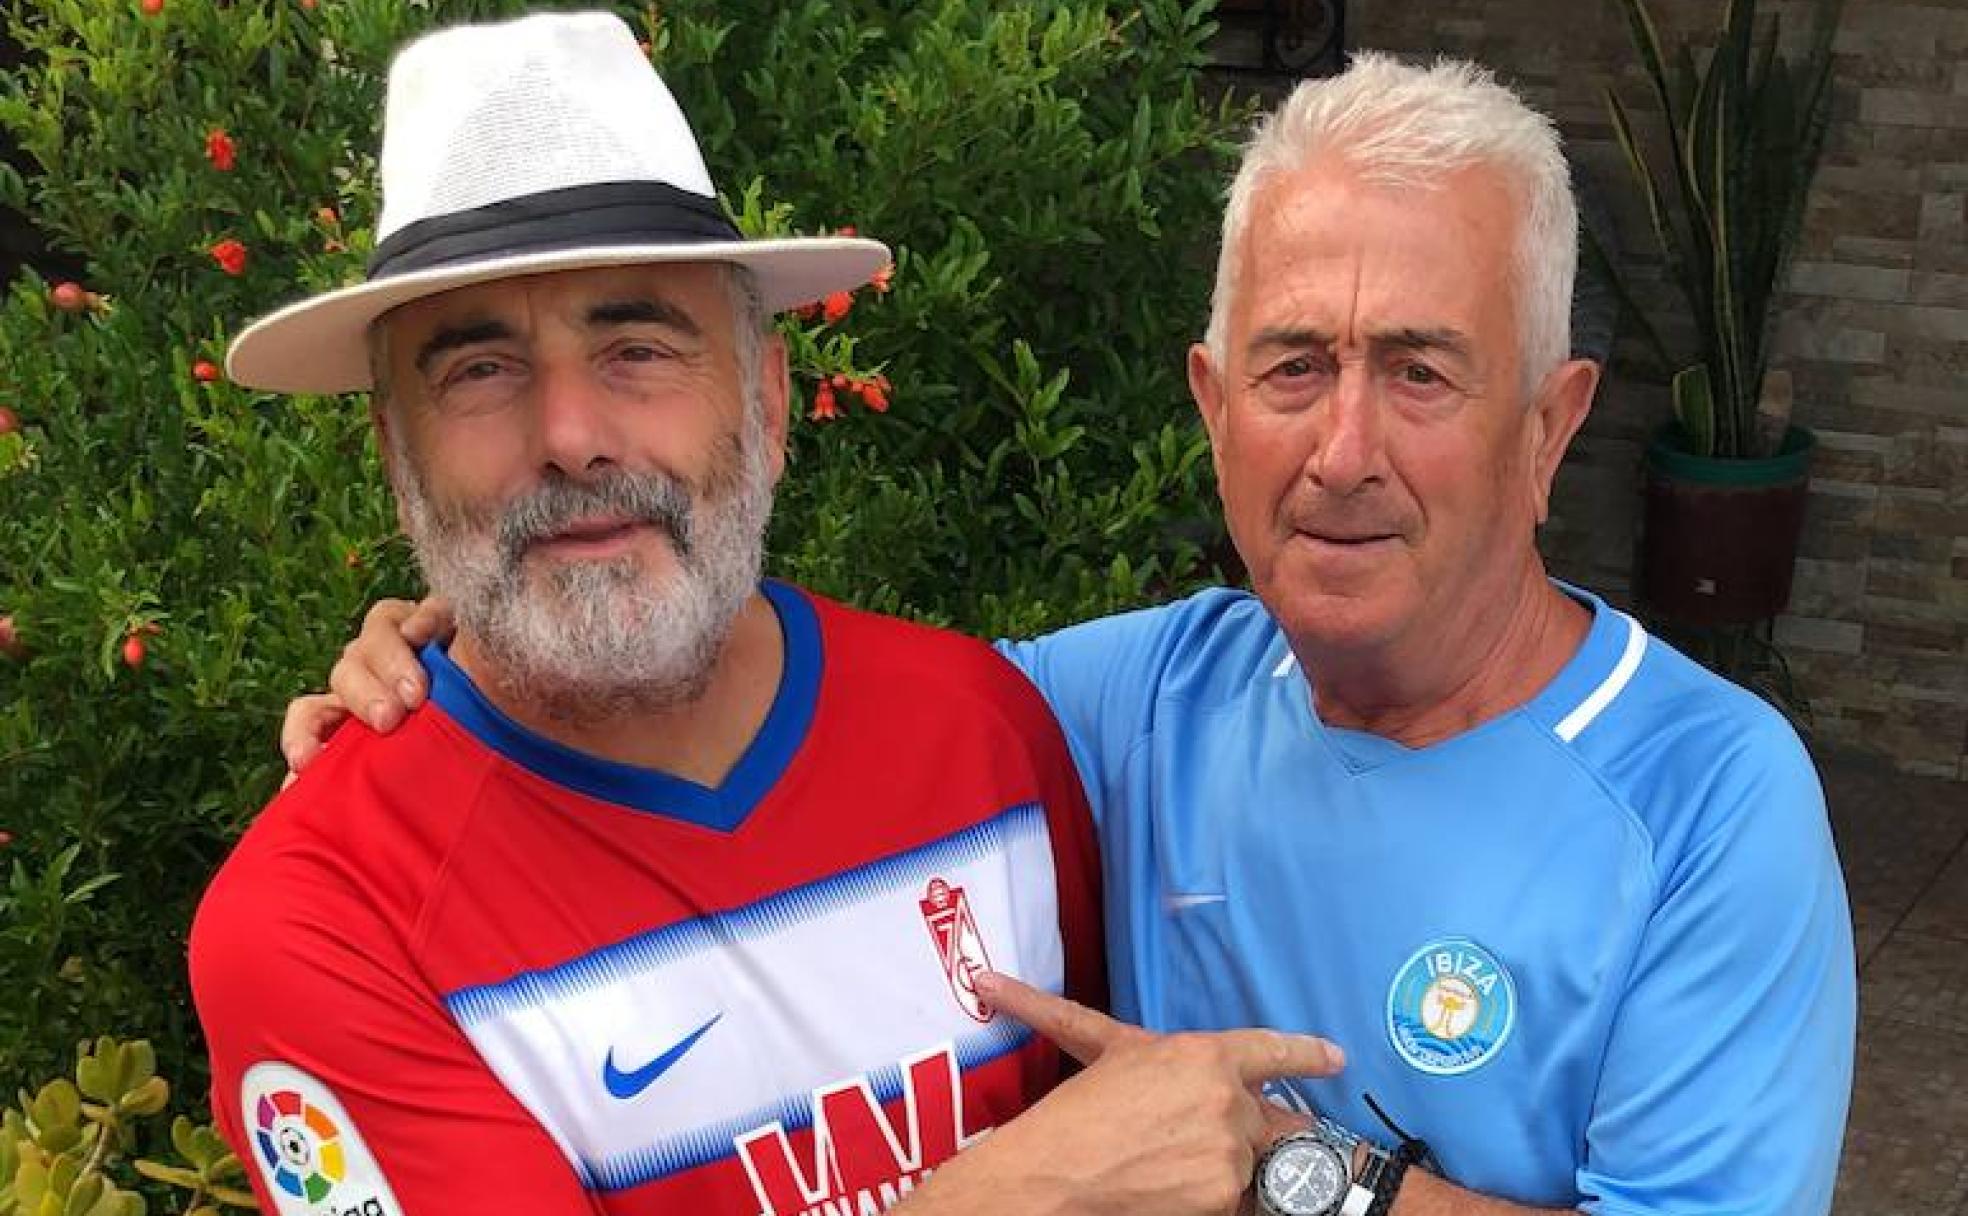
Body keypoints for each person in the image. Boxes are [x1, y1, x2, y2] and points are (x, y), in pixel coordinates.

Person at [283, 50, 1858, 1216]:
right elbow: (740, 698)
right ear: (1213, 404)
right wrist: (475, 644)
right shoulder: (1113, 706)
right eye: (1295, 365)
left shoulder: (1708, 804)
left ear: (1549, 424)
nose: (1345, 449)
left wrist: (1292, 1171)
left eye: (1425, 374)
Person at [193, 13, 1343, 1216]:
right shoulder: (320, 919)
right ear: (399, 452)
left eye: (638, 347)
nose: (571, 436)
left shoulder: (982, 732)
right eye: (479, 372)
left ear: (770, 400)